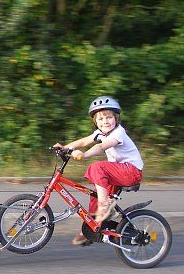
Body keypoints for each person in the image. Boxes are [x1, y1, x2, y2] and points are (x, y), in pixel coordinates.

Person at [54, 96, 143, 246]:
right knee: (95, 194)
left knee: (97, 167)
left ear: (116, 118)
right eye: (101, 119)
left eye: (109, 118)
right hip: (118, 172)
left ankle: (105, 205)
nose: (105, 122)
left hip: (131, 171)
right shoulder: (100, 133)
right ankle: (91, 228)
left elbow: (101, 147)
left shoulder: (118, 133)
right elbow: (83, 141)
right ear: (96, 122)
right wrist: (64, 148)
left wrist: (84, 154)